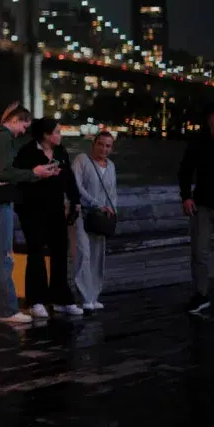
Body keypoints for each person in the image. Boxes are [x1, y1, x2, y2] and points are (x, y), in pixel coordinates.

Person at [0, 104, 59, 325]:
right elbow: (4, 170)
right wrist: (35, 173)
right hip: (0, 199)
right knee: (3, 255)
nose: (24, 131)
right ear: (14, 119)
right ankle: (6, 309)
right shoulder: (4, 137)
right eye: (24, 125)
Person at [13, 118, 83, 318]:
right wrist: (39, 175)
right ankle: (36, 301)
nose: (60, 135)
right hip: (32, 210)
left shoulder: (60, 152)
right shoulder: (27, 152)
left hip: (55, 208)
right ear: (45, 134)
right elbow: (19, 178)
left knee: (60, 251)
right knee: (36, 253)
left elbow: (69, 178)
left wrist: (75, 200)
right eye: (57, 132)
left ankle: (61, 299)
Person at [179, 106, 214, 314]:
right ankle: (201, 294)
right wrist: (186, 196)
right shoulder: (198, 142)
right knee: (199, 252)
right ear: (209, 124)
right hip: (202, 204)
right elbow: (186, 169)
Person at [70, 131, 117, 311]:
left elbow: (113, 193)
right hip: (81, 213)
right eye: (101, 144)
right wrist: (96, 204)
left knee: (98, 256)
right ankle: (84, 297)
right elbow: (77, 187)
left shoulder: (111, 166)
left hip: (101, 217)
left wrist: (113, 210)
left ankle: (94, 295)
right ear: (93, 144)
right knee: (83, 254)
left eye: (108, 146)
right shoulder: (81, 160)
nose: (104, 149)